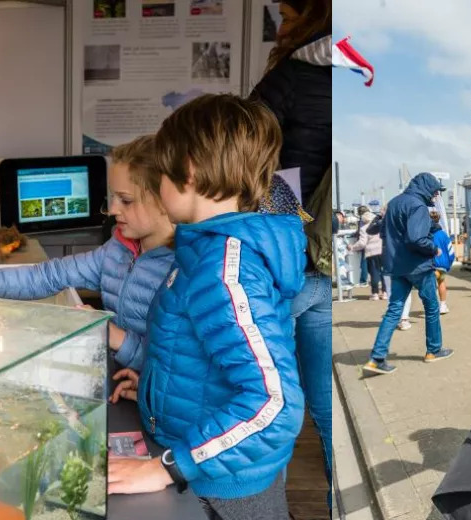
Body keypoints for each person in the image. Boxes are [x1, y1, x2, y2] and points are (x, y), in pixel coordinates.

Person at [106, 94, 305, 519]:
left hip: (225, 494)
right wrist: (155, 389)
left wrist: (168, 467)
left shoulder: (225, 269)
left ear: (189, 170)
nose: (158, 186)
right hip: (201, 467)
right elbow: (203, 355)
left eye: (161, 173)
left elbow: (275, 404)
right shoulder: (203, 253)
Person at [0, 136, 176, 371]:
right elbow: (48, 275)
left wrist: (109, 334)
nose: (111, 209)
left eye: (126, 200)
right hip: (127, 380)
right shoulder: (116, 250)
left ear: (165, 200)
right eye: (112, 198)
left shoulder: (183, 270)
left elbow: (185, 370)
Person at [250, 0, 333, 499]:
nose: (280, 24)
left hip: (284, 261)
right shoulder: (363, 74)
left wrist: (283, 219)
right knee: (326, 412)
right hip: (327, 260)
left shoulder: (293, 76)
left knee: (266, 402)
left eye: (286, 13)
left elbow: (246, 159)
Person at [363, 172, 454, 375]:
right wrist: (433, 249)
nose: (436, 195)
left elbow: (377, 230)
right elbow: (416, 239)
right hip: (418, 267)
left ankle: (377, 358)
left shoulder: (394, 202)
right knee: (431, 307)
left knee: (394, 310)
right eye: (435, 191)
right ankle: (434, 350)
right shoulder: (418, 206)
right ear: (427, 188)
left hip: (396, 266)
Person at [351, 211, 385, 300]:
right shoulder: (380, 225)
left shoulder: (364, 228)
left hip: (371, 252)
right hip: (383, 251)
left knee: (374, 273)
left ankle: (375, 293)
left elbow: (362, 243)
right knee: (384, 272)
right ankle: (385, 292)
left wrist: (352, 247)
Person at [430, 208, 455, 315]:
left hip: (430, 264)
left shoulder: (426, 234)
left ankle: (432, 306)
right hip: (442, 265)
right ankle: (443, 305)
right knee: (441, 283)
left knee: (430, 285)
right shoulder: (443, 235)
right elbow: (450, 251)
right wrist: (449, 263)